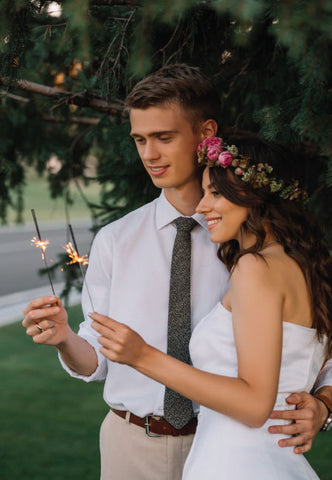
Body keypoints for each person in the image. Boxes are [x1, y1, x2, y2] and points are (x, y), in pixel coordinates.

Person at [22, 65, 332, 480]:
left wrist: (325, 404)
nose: (149, 154)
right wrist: (63, 340)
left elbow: (315, 341)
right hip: (131, 445)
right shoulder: (115, 240)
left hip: (228, 443)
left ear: (206, 134)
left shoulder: (257, 252)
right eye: (139, 140)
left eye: (163, 138)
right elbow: (96, 360)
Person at [89, 135, 332, 478]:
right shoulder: (304, 268)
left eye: (215, 193)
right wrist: (324, 404)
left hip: (238, 463)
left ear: (255, 195)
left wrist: (142, 356)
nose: (202, 207)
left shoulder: (255, 269)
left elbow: (253, 405)